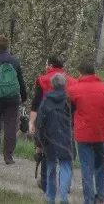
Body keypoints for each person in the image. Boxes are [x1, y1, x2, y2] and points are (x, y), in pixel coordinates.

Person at [67, 60, 104, 204]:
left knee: (86, 168)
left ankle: (88, 200)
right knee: (101, 167)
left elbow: (69, 113)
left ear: (80, 73)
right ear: (94, 73)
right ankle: (101, 197)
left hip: (83, 135)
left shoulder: (73, 90)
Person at [30, 55, 79, 193]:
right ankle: (66, 185)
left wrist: (31, 122)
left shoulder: (41, 80)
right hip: (67, 122)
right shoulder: (73, 81)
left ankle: (46, 184)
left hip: (47, 122)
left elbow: (36, 103)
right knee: (67, 155)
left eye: (46, 64)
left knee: (47, 154)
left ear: (50, 65)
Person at [35, 73, 74, 204]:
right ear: (65, 85)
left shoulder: (45, 102)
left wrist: (38, 142)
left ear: (52, 85)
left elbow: (39, 123)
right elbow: (74, 120)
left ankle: (50, 198)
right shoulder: (69, 101)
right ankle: (63, 197)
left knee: (51, 168)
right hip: (66, 139)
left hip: (49, 139)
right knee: (65, 167)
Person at [0, 34, 27, 165]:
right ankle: (8, 156)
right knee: (10, 126)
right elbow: (20, 80)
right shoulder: (14, 61)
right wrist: (23, 95)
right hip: (12, 98)